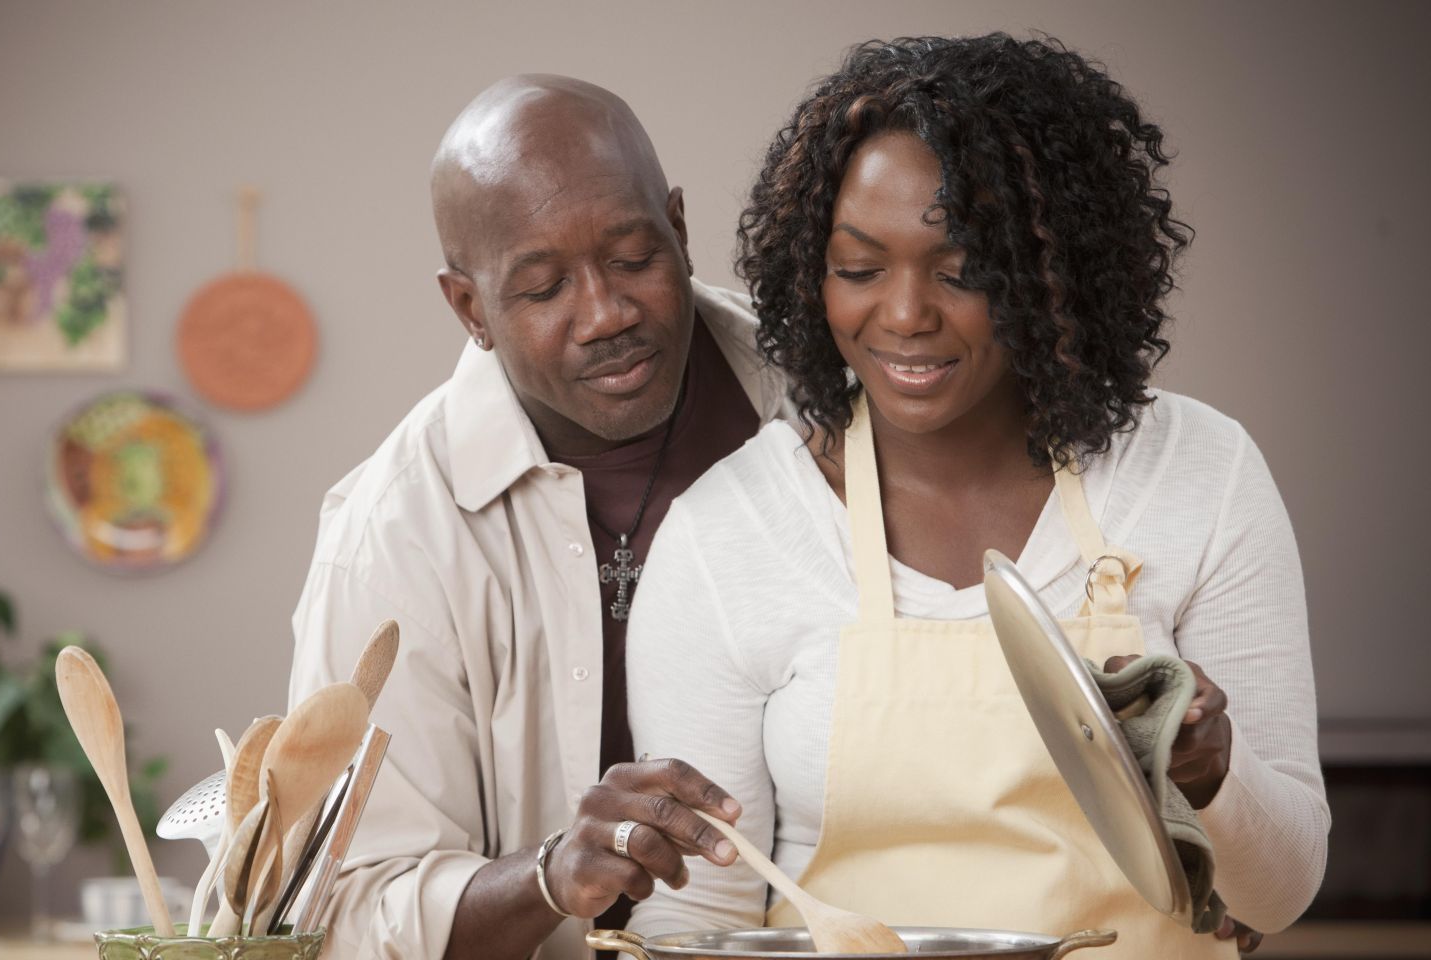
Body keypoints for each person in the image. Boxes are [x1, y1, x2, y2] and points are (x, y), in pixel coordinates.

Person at [625, 35, 1327, 958]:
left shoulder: (1199, 471)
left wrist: (1210, 777)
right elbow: (694, 913)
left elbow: (1278, 895)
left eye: (962, 271)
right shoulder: (730, 532)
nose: (907, 314)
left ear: (1051, 272)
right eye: (860, 268)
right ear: (811, 273)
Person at [287, 74, 789, 959]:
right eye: (543, 287)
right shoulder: (393, 537)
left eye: (634, 258)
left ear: (679, 225)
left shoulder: (825, 407)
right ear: (469, 307)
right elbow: (343, 910)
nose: (606, 314)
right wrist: (554, 875)